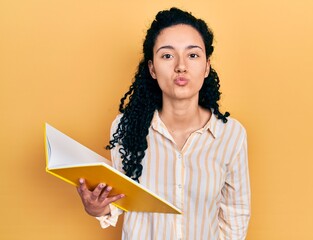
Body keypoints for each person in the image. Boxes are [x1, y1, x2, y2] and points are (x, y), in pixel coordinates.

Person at [76, 7, 251, 240]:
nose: (181, 65)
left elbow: (236, 213)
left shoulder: (231, 134)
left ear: (207, 66)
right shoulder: (126, 127)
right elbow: (118, 200)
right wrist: (97, 208)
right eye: (167, 55)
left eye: (193, 55)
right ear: (152, 69)